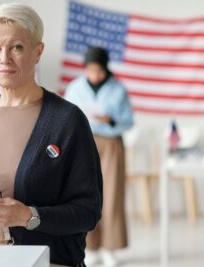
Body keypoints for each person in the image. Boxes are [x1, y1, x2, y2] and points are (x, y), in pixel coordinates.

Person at [0, 3, 102, 267]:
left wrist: (28, 216)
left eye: (16, 47)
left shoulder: (67, 121)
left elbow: (88, 212)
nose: (4, 59)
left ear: (38, 51)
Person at [64, 46, 133, 266]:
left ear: (106, 68)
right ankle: (91, 246)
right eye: (91, 69)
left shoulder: (119, 89)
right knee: (86, 194)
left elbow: (129, 121)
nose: (95, 74)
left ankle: (110, 248)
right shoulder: (75, 88)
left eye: (99, 70)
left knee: (112, 195)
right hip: (84, 142)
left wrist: (110, 120)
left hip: (111, 144)